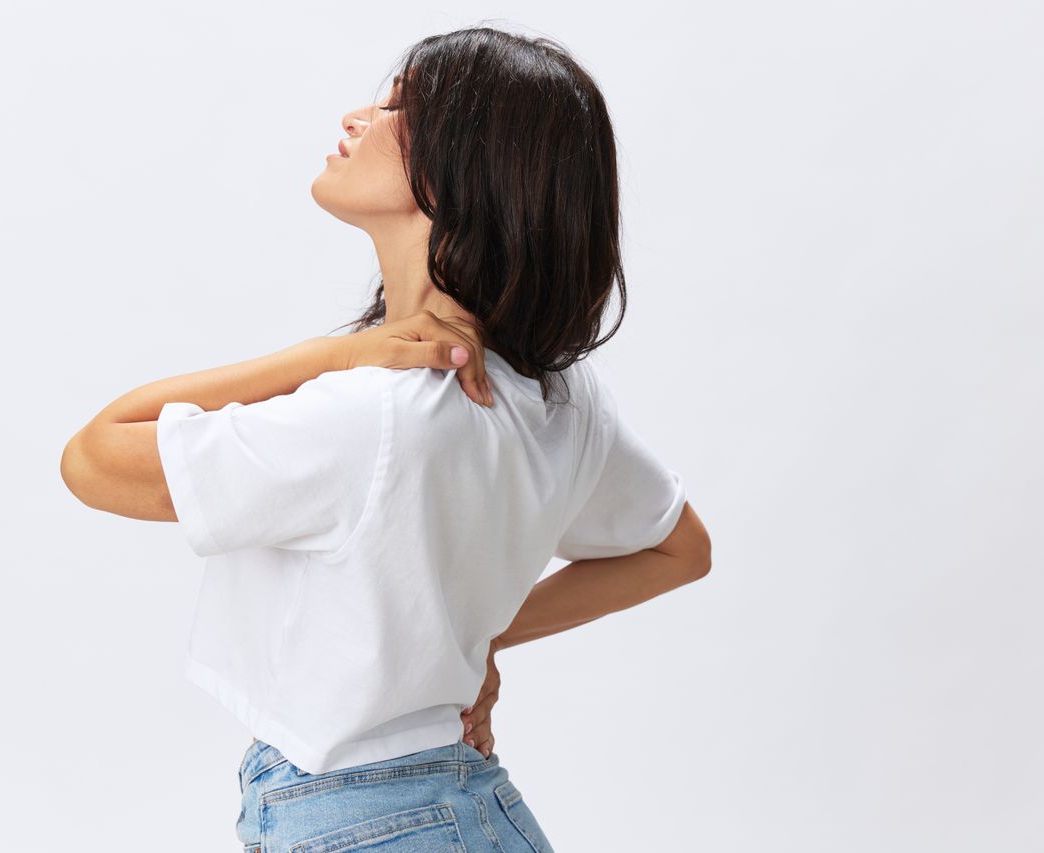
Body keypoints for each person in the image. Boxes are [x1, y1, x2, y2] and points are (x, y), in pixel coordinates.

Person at [60, 24, 712, 853]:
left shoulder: (371, 411)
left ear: (459, 170)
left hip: (357, 820)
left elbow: (90, 456)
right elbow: (680, 547)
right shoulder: (559, 392)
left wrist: (336, 354)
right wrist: (475, 638)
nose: (357, 116)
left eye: (401, 107)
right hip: (474, 810)